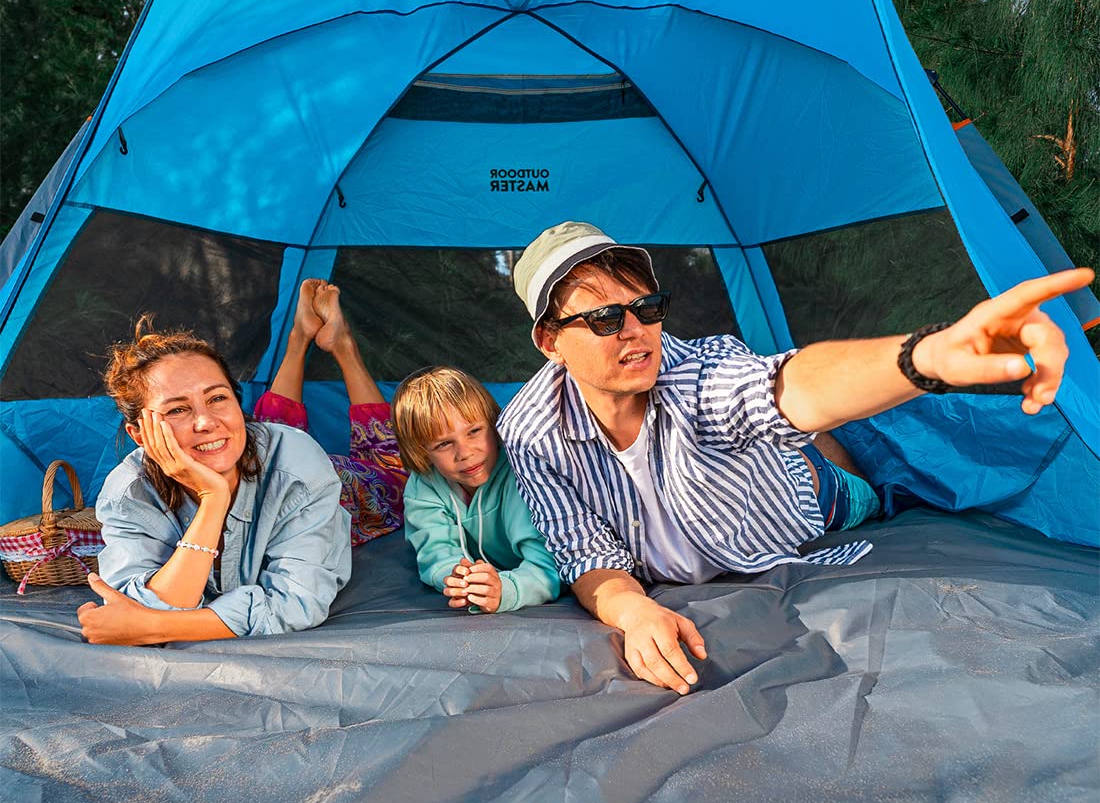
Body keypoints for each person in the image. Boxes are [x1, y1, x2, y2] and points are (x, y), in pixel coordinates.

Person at [498, 220, 1093, 695]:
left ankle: (839, 458)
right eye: (605, 317)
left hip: (802, 507)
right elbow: (582, 551)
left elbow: (787, 386)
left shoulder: (697, 373)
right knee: (801, 434)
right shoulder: (529, 432)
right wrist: (630, 610)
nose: (636, 331)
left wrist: (926, 357)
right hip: (697, 531)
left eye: (648, 308)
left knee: (869, 486)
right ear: (550, 341)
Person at [81, 309, 353, 646]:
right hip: (248, 450)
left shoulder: (298, 467)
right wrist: (214, 500)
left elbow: (295, 603)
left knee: (382, 467)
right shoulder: (128, 493)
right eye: (177, 410)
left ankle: (321, 341)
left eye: (218, 398)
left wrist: (154, 628)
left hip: (357, 496)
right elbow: (140, 606)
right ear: (140, 435)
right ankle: (297, 339)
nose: (205, 421)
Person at [392, 366, 560, 614]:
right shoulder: (424, 485)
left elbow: (552, 564)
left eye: (474, 431)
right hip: (484, 572)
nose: (466, 453)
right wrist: (461, 580)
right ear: (421, 452)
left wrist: (506, 590)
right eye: (444, 444)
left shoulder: (523, 472)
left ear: (493, 424)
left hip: (530, 573)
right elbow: (436, 551)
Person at [253, 279, 407, 546]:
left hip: (284, 478)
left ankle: (303, 338)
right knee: (399, 482)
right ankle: (324, 343)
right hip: (317, 490)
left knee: (268, 450)